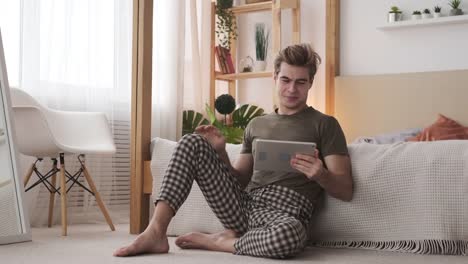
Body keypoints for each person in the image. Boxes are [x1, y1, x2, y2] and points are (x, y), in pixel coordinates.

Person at [114, 43, 353, 259]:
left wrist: (320, 174)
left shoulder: (325, 124)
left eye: (300, 82)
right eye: (285, 80)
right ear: (275, 77)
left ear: (311, 83)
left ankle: (220, 242)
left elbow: (345, 189)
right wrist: (220, 153)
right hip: (244, 206)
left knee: (290, 237)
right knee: (191, 142)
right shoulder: (256, 124)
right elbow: (239, 180)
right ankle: (156, 232)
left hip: (286, 214)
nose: (292, 89)